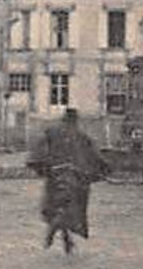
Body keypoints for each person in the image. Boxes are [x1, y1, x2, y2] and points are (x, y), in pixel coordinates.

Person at [26, 108, 109, 253]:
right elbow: (95, 156)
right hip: (76, 177)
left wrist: (40, 167)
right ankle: (58, 233)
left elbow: (39, 151)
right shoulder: (82, 136)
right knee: (72, 208)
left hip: (55, 175)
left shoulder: (51, 132)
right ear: (75, 120)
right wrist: (104, 170)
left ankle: (64, 237)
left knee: (56, 206)